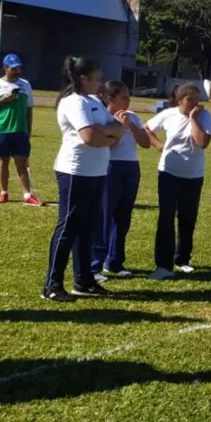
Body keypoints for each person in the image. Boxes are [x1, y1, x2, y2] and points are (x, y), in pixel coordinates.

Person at [42, 57, 128, 302]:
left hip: (97, 171)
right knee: (68, 227)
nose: (100, 85)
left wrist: (111, 131)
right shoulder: (73, 102)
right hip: (75, 171)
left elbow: (113, 125)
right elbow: (90, 137)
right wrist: (112, 135)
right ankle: (52, 284)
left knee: (87, 229)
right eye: (96, 79)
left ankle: (84, 281)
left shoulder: (93, 102)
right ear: (83, 78)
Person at [145, 84, 211, 280]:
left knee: (188, 218)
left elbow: (202, 142)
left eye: (197, 99)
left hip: (193, 175)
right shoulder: (168, 115)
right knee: (166, 218)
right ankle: (163, 266)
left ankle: (182, 260)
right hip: (169, 173)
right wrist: (159, 146)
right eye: (190, 99)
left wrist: (193, 119)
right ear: (179, 100)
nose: (195, 103)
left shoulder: (204, 116)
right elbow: (147, 128)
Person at [90, 81, 151, 281]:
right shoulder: (103, 117)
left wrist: (131, 125)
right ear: (110, 98)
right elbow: (109, 146)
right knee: (104, 216)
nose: (128, 100)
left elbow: (145, 143)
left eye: (129, 96)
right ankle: (94, 266)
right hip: (110, 168)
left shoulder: (133, 116)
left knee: (123, 217)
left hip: (131, 167)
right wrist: (119, 128)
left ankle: (115, 262)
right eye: (124, 97)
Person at [0, 54, 42, 206]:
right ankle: (4, 193)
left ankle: (27, 194)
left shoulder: (25, 85)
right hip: (1, 129)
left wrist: (29, 130)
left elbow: (29, 109)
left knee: (22, 162)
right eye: (14, 68)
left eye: (19, 67)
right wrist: (3, 100)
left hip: (20, 130)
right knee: (3, 161)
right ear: (5, 68)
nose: (17, 70)